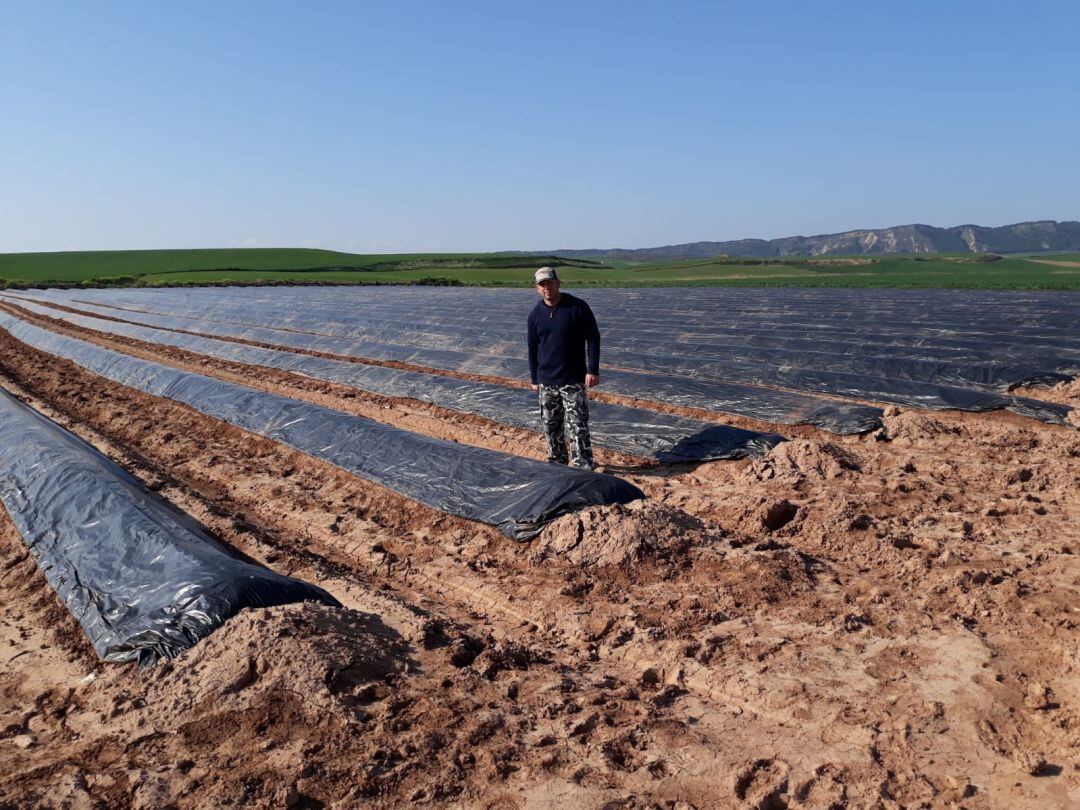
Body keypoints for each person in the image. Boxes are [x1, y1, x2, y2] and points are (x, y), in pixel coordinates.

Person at [526, 267, 600, 470]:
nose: (546, 288)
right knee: (551, 426)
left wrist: (592, 369)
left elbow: (593, 338)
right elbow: (533, 349)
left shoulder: (577, 308)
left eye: (550, 283)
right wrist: (534, 379)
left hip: (573, 379)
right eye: (542, 285)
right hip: (546, 381)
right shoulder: (535, 316)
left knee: (577, 426)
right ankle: (557, 464)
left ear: (558, 283)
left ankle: (582, 465)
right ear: (537, 289)